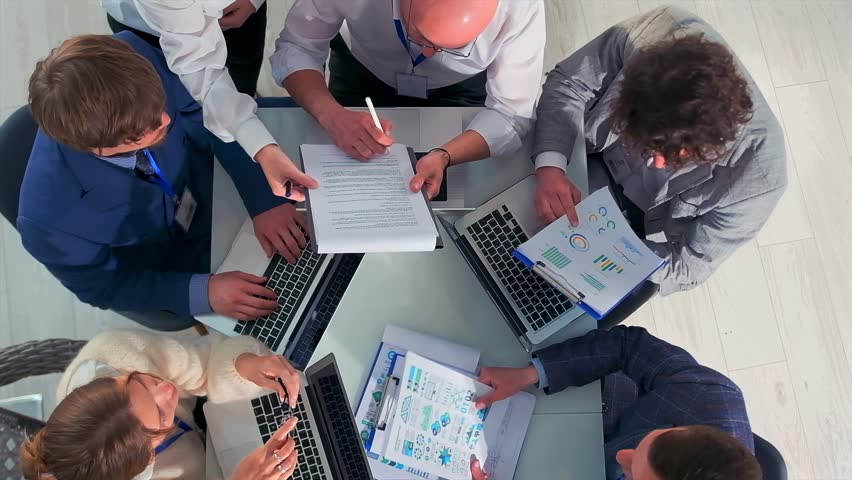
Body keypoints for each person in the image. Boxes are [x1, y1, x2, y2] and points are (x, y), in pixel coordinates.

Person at [20, 33, 306, 331]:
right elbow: (104, 286)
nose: (166, 119)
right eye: (147, 129)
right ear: (99, 148)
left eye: (159, 107)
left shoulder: (131, 56)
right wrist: (203, 293)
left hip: (217, 179)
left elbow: (207, 111)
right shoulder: (48, 223)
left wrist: (264, 201)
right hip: (180, 258)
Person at [532, 6, 786, 295]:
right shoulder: (652, 33)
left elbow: (689, 268)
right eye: (642, 141)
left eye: (672, 156)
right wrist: (551, 165)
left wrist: (611, 252)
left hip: (634, 228)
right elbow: (570, 82)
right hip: (578, 150)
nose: (653, 160)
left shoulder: (758, 181)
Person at [273, 0, 545, 198]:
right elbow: (297, 47)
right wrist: (332, 115)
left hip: (460, 83)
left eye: (449, 48)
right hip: (363, 66)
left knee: (454, 192)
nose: (428, 55)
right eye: (421, 37)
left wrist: (445, 155)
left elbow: (512, 113)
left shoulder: (522, 7)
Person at [470, 326, 762, 480]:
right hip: (600, 408)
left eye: (634, 474)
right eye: (650, 440)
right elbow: (628, 346)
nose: (622, 456)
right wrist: (532, 373)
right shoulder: (712, 397)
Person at [101, 0, 318, 198]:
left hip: (242, 14)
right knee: (177, 110)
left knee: (242, 79)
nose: (163, 120)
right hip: (157, 26)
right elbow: (202, 71)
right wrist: (264, 149)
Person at [20, 329, 302, 480]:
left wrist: (243, 365)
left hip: (223, 418)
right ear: (144, 462)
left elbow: (205, 360)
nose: (168, 389)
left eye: (138, 380)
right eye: (161, 414)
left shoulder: (112, 352)